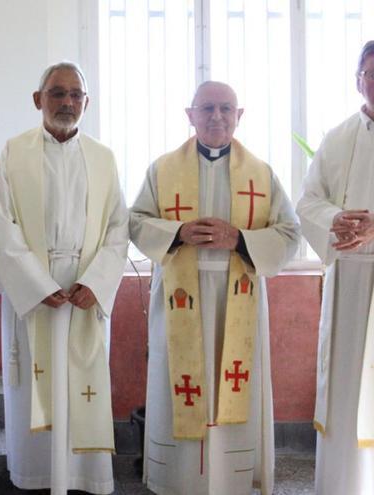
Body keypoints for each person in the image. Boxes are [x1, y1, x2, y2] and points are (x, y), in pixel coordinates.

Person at [129, 81, 300, 495]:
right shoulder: (162, 168)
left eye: (227, 108)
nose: (217, 116)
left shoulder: (261, 173)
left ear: (240, 115)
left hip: (235, 295)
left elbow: (290, 234)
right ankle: (179, 479)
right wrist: (178, 231)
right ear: (190, 115)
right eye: (207, 108)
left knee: (232, 385)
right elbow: (135, 222)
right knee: (181, 390)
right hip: (179, 296)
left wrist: (239, 239)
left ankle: (231, 480)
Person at [0, 61, 128, 494]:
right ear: (38, 100)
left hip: (84, 289)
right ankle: (35, 475)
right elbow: (2, 224)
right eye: (57, 93)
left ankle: (84, 478)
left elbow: (117, 229)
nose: (67, 102)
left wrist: (97, 282)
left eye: (75, 95)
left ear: (87, 102)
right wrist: (38, 284)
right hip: (36, 291)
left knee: (81, 385)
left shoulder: (103, 158)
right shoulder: (15, 151)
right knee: (35, 385)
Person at [297, 40, 374, 495]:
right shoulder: (338, 138)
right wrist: (335, 220)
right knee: (346, 387)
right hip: (348, 276)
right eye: (371, 73)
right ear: (357, 81)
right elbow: (308, 200)